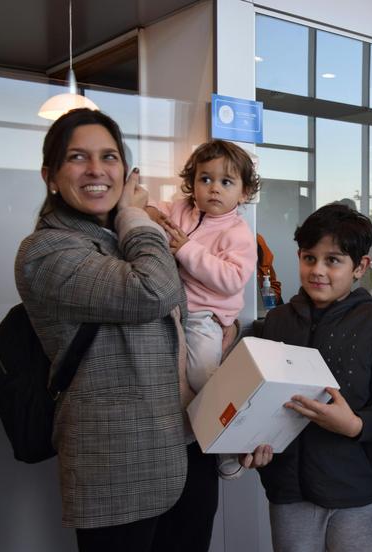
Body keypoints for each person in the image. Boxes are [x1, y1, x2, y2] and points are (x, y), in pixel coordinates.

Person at [15, 108, 215, 551]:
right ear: (50, 175)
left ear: (125, 169)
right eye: (77, 158)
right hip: (118, 470)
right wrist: (134, 214)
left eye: (109, 156)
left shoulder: (122, 240)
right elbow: (156, 290)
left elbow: (180, 313)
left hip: (185, 449)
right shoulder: (45, 251)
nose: (96, 170)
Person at [255, 203, 372, 552]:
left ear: (360, 267)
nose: (317, 270)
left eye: (333, 260)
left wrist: (356, 425)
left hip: (357, 489)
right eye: (309, 258)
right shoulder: (278, 321)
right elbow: (261, 397)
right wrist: (253, 441)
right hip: (288, 487)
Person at [146, 139, 260, 478]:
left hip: (203, 318)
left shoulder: (237, 232)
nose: (213, 189)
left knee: (203, 377)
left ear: (242, 193)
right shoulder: (182, 210)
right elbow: (154, 208)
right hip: (172, 312)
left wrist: (187, 250)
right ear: (191, 184)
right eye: (205, 179)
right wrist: (148, 210)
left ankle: (230, 445)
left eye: (226, 182)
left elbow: (231, 278)